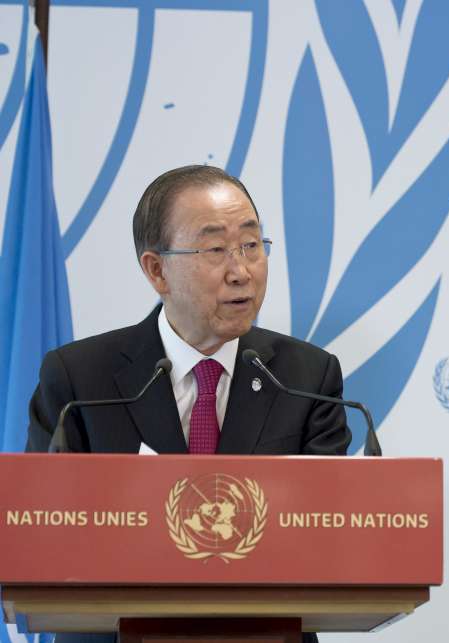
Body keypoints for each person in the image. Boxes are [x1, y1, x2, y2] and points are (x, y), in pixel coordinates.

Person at [26, 166, 350, 643]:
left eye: (252, 245)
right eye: (216, 249)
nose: (241, 271)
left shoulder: (308, 377)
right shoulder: (79, 378)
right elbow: (43, 531)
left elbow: (327, 535)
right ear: (157, 270)